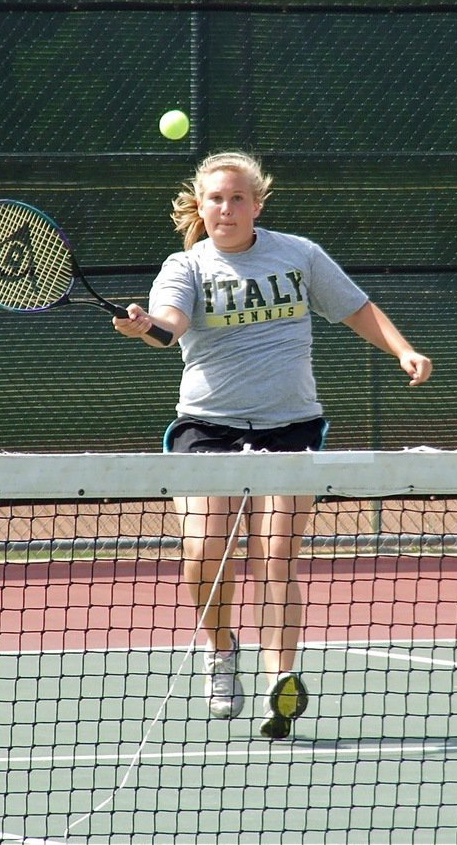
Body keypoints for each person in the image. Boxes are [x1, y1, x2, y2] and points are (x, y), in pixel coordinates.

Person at [113, 150, 432, 739]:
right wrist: (145, 327)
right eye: (216, 199)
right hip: (207, 427)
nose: (227, 208)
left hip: (290, 427)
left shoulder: (299, 255)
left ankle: (279, 681)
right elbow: (169, 325)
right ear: (200, 207)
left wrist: (403, 350)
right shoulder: (185, 267)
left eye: (239, 198)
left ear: (257, 204)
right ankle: (221, 649)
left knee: (275, 555)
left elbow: (357, 308)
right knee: (206, 548)